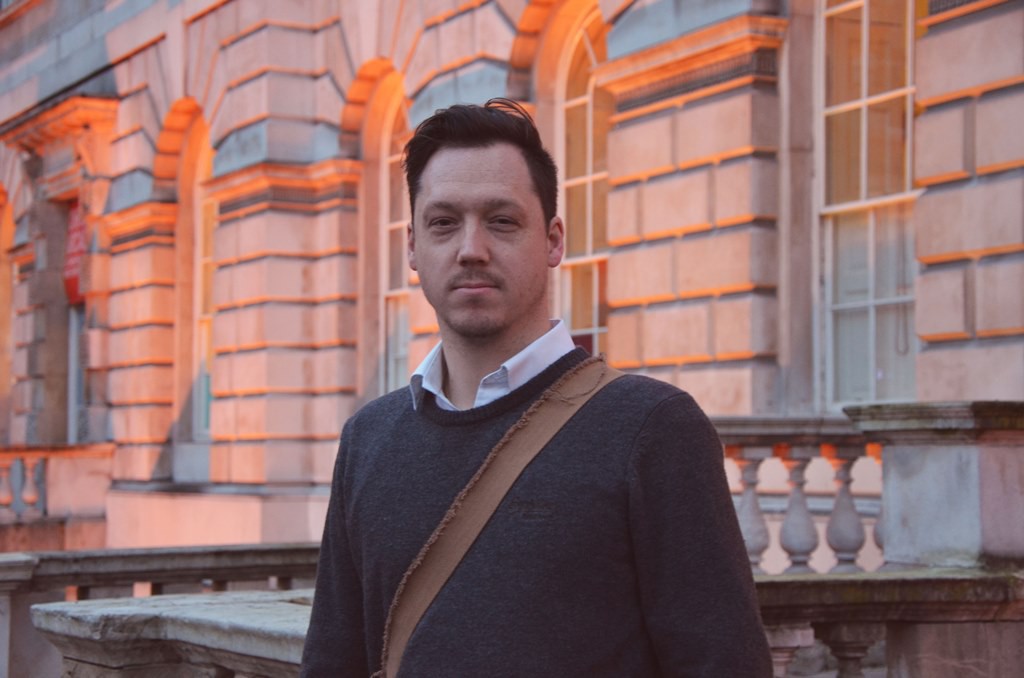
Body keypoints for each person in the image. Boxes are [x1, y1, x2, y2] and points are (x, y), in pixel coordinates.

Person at [300, 98, 772, 677]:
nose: (471, 248)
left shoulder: (652, 428)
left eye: (502, 220)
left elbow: (724, 665)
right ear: (412, 248)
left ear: (553, 241)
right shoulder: (368, 440)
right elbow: (333, 662)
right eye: (444, 222)